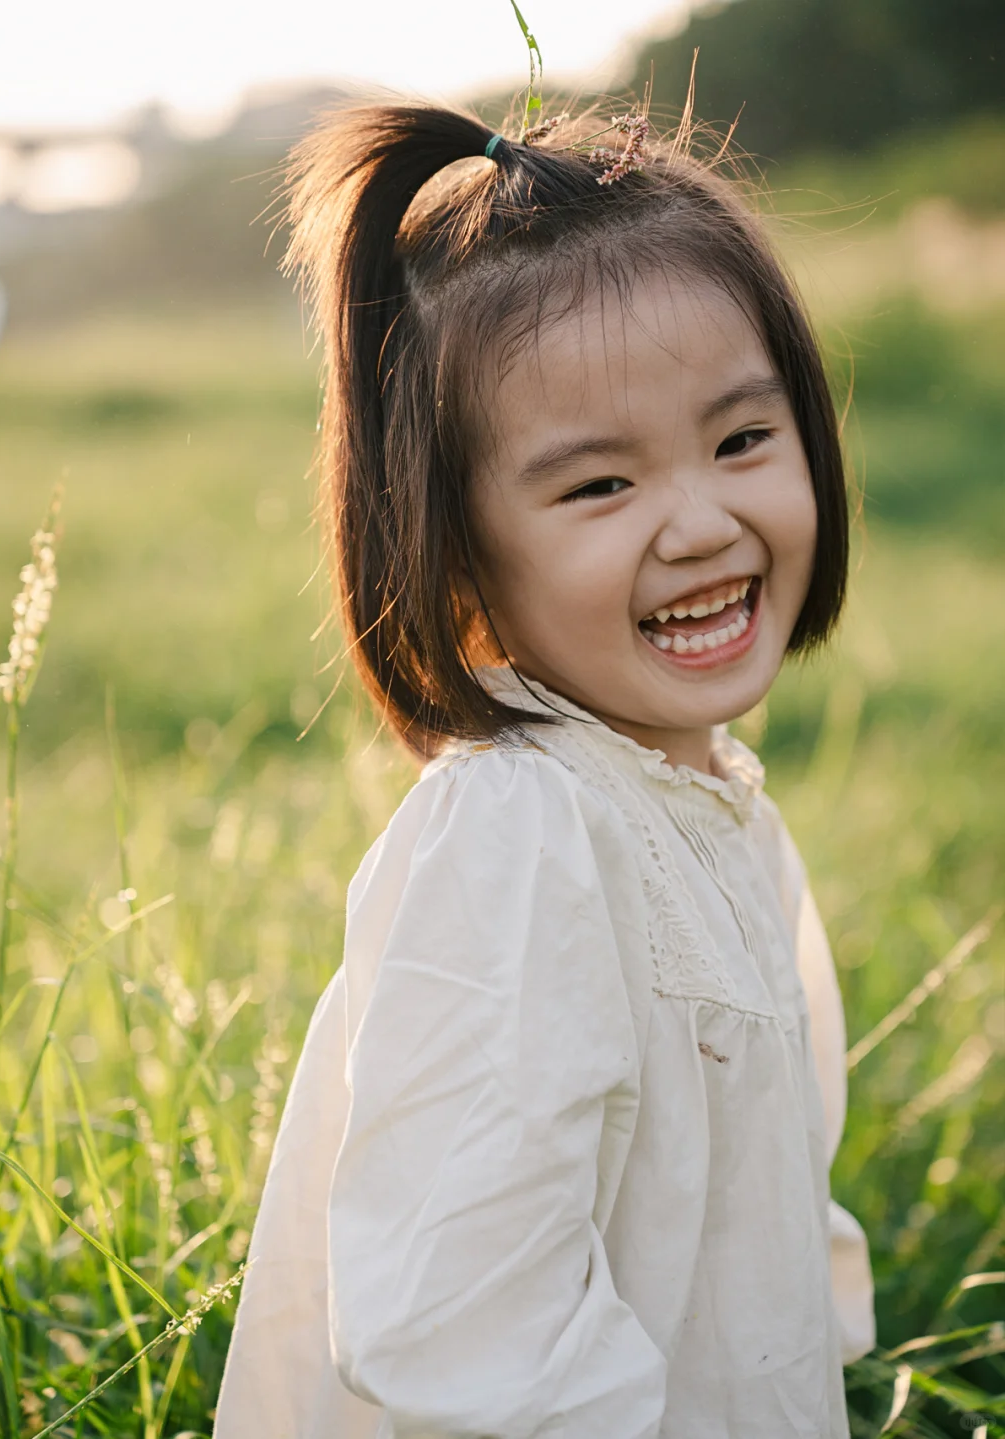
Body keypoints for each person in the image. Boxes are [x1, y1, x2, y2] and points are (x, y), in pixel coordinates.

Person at [213, 99, 876, 1438]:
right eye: (597, 487)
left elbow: (765, 1201)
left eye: (743, 439)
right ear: (457, 558)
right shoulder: (518, 839)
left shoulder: (710, 807)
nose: (701, 520)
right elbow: (466, 1324)